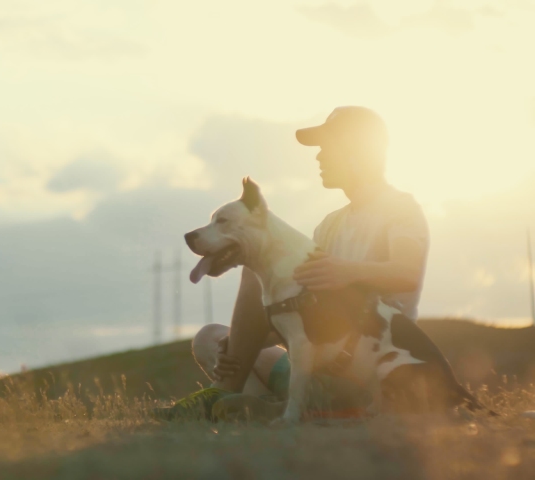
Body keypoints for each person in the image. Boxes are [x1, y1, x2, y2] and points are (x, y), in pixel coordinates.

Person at [161, 106, 430, 421]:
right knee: (210, 338)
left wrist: (347, 272)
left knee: (252, 274)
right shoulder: (330, 224)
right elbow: (307, 314)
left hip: (366, 364)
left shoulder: (400, 208)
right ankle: (264, 405)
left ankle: (243, 396)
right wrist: (241, 347)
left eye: (327, 147)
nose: (318, 157)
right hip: (317, 363)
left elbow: (407, 273)